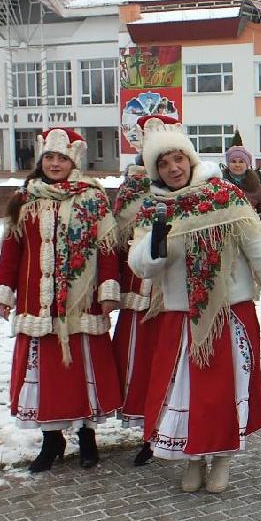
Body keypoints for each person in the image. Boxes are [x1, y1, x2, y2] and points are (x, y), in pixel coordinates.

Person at [128, 115, 261, 494]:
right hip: (181, 316)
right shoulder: (154, 209)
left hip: (229, 313)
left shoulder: (225, 196)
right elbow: (141, 265)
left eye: (178, 159)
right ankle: (194, 459)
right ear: (155, 170)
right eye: (163, 164)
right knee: (187, 393)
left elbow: (260, 250)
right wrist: (159, 239)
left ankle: (222, 458)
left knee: (223, 393)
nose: (173, 168)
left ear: (190, 159)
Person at [0, 128, 123, 472]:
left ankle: (87, 438)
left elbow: (107, 248)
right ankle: (52, 441)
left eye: (61, 158)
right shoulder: (24, 199)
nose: (54, 163)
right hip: (38, 302)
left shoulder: (92, 198)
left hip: (82, 303)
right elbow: (11, 250)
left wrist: (109, 288)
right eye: (49, 157)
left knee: (81, 370)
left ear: (73, 161)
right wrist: (4, 290)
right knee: (48, 373)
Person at [111, 158, 158, 466]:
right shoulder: (130, 189)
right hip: (134, 290)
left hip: (166, 293)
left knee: (160, 362)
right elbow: (113, 241)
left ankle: (159, 428)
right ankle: (147, 429)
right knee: (135, 361)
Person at [221, 145, 261, 230]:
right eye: (233, 161)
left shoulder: (255, 186)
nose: (237, 165)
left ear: (247, 164)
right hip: (223, 230)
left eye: (241, 161)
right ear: (228, 164)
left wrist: (257, 218)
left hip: (249, 231)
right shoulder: (219, 183)